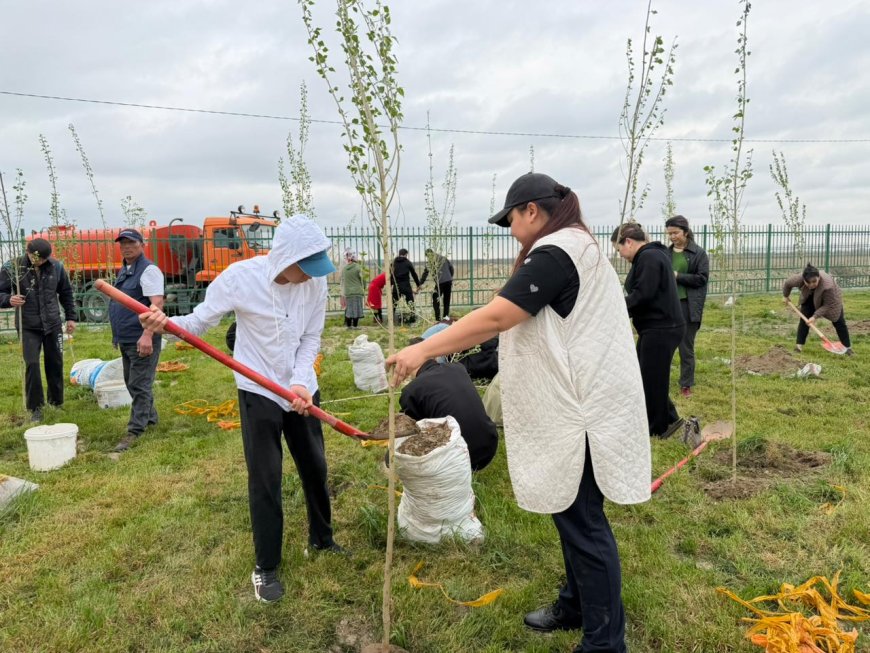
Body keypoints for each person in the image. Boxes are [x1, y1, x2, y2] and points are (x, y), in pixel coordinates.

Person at [387, 173, 650, 653]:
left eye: (510, 219)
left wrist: (422, 352)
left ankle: (606, 644)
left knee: (585, 523)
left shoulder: (557, 253)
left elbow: (497, 315)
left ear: (531, 210)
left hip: (583, 412)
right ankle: (575, 604)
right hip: (582, 404)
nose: (509, 229)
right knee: (568, 509)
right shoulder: (576, 248)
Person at [138, 215, 346, 604]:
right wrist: (164, 324)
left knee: (315, 467)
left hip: (301, 391)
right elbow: (198, 324)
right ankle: (266, 567)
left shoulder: (315, 284)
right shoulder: (239, 278)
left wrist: (301, 382)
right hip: (259, 388)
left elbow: (311, 337)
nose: (312, 275)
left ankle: (322, 539)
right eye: (307, 266)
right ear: (287, 258)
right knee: (266, 477)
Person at [612, 223, 686, 439]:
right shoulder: (651, 255)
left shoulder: (649, 257)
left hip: (661, 327)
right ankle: (670, 419)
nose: (621, 256)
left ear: (628, 241)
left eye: (619, 250)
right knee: (649, 376)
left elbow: (644, 294)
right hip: (657, 327)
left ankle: (657, 428)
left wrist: (615, 309)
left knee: (651, 379)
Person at [0, 238, 76, 422]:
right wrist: (8, 300)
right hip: (28, 325)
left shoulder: (56, 267)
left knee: (55, 363)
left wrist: (71, 317)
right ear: (27, 252)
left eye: (43, 259)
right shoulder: (13, 268)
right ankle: (36, 408)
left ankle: (56, 403)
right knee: (32, 364)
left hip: (53, 324)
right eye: (36, 259)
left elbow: (66, 292)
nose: (39, 262)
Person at [108, 228, 165, 452]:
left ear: (142, 244)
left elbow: (156, 305)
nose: (126, 247)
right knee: (132, 381)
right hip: (127, 338)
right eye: (122, 243)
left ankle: (135, 430)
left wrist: (147, 334)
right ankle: (150, 418)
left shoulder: (148, 270)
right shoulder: (126, 269)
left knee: (139, 384)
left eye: (131, 242)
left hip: (141, 337)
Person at [399, 358, 498, 471]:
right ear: (434, 357)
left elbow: (410, 431)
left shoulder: (411, 390)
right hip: (489, 447)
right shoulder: (458, 368)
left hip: (456, 459)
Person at [665, 215, 710, 398]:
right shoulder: (666, 253)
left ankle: (686, 384)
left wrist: (678, 276)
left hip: (687, 306)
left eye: (675, 233)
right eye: (669, 234)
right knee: (664, 346)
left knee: (686, 348)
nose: (672, 237)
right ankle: (661, 380)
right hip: (668, 305)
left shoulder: (698, 253)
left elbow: (702, 279)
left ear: (685, 231)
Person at [783, 263, 853, 355]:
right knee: (804, 320)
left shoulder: (828, 286)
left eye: (814, 282)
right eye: (808, 282)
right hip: (810, 296)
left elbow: (828, 305)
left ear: (819, 277)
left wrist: (815, 316)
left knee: (839, 322)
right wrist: (785, 296)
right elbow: (788, 283)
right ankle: (799, 346)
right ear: (804, 279)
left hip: (831, 301)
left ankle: (847, 348)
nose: (811, 284)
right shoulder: (798, 279)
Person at [417, 248, 454, 321]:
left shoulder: (430, 262)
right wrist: (450, 277)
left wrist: (420, 284)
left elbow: (425, 273)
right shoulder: (443, 258)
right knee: (446, 299)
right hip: (448, 281)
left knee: (435, 298)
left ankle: (438, 318)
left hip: (440, 282)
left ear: (428, 255)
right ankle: (445, 317)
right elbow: (451, 268)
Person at [340, 250, 365, 329]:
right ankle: (355, 326)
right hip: (357, 291)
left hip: (348, 292)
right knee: (357, 309)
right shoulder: (358, 267)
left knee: (349, 309)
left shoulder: (344, 269)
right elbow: (362, 279)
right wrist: (363, 287)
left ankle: (348, 326)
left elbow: (343, 280)